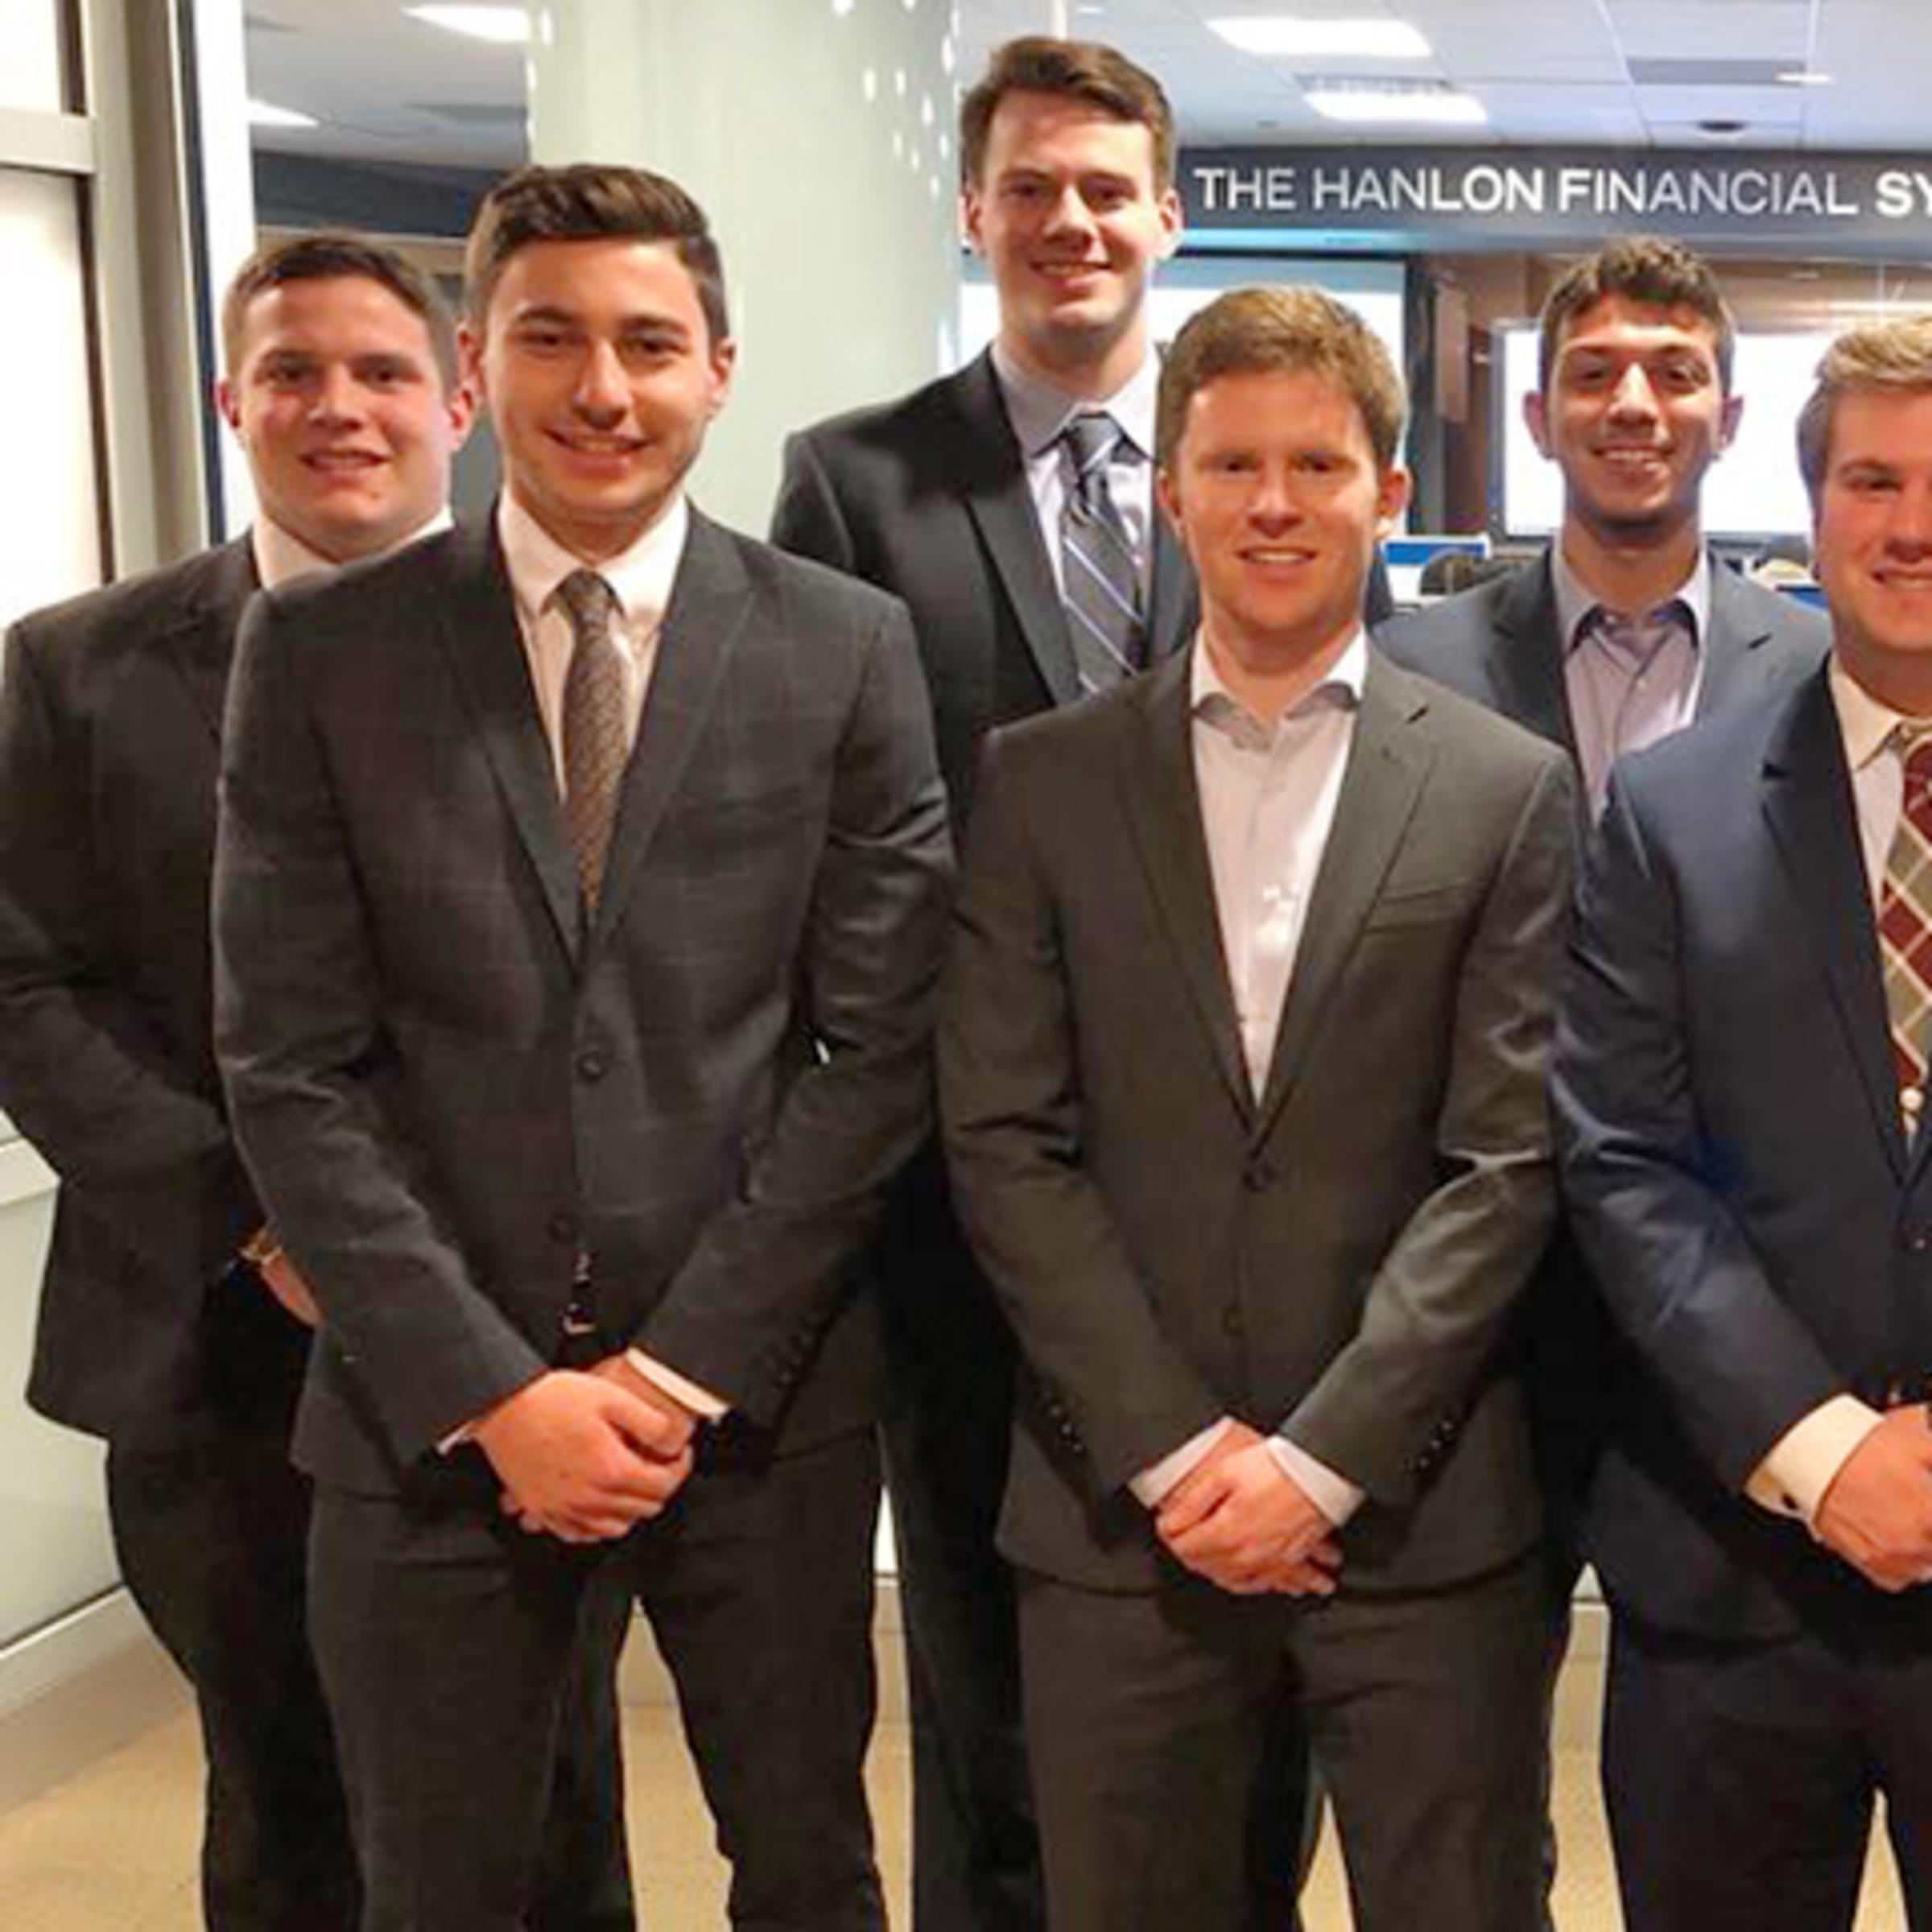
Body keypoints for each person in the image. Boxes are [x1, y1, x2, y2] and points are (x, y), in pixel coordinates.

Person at [213, 163, 951, 1932]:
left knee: (807, 1869)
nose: (603, 388)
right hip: (429, 1412)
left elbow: (879, 1048)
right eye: (553, 338)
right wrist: (494, 1387)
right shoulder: (322, 650)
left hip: (752, 1409)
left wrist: (670, 1370)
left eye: (648, 342)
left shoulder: (846, 649)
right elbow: (288, 1062)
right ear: (483, 363)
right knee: (446, 1886)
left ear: (719, 367)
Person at [0, 232, 634, 1932]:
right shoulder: (78, 668)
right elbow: (23, 982)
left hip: (535, 1349)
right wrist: (263, 1223)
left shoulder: (582, 646)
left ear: (457, 399)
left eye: (378, 373)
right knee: (283, 1804)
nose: (337, 408)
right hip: (224, 1351)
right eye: (291, 372)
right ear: (232, 401)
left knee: (555, 1802)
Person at [939, 285, 1575, 1932]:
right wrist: (1173, 1450)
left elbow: (1503, 1164)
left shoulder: (1509, 789)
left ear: (1392, 493)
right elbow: (1006, 1140)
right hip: (1122, 1521)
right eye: (1230, 465)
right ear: (1170, 493)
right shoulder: (1044, 779)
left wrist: (1323, 1463)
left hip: (1420, 1521)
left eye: (1317, 463)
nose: (1274, 503)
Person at [770, 40, 1199, 1930]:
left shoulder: (1260, 456)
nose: (1071, 221)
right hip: (964, 1178)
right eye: (1031, 186)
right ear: (975, 212)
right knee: (977, 1641)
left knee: (1218, 1625)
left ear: (1167, 215)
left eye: (1107, 187)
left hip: (1230, 1175)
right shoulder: (859, 483)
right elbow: (816, 840)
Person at [1377, 233, 1827, 1918]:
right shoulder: (1413, 668)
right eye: (1595, 374)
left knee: (1707, 1770)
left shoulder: (1815, 665)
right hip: (1466, 1308)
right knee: (1463, 1780)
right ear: (1539, 413)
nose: (1634, 402)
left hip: (1724, 1310)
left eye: (1674, 372)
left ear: (1725, 413)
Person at [1555, 315, 1932, 1931]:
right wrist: (1827, 1446)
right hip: (1736, 1578)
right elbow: (1628, 1165)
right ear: (1813, 506)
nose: (1914, 522)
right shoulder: (1673, 809)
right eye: (1875, 478)